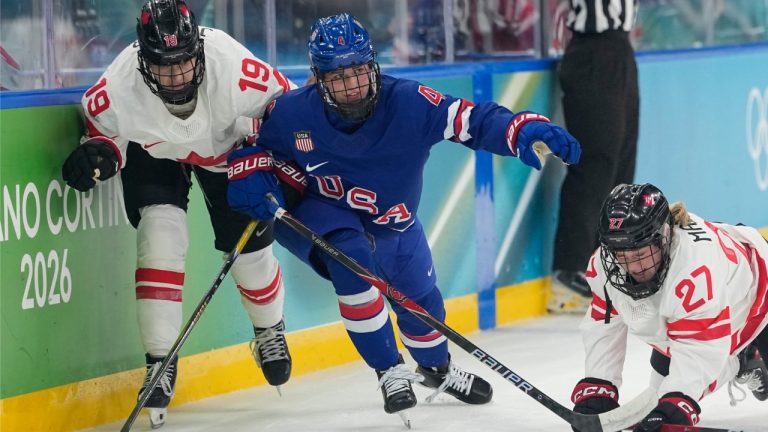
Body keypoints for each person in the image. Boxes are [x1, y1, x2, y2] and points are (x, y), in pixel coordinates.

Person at [225, 13, 581, 421]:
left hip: (394, 220)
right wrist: (247, 168)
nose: (351, 85)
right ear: (318, 78)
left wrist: (519, 129)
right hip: (323, 213)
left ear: (373, 65)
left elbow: (473, 120)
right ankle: (389, 369)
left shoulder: (410, 102)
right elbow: (253, 147)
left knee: (422, 305)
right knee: (352, 261)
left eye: (358, 71)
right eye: (338, 76)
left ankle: (435, 369)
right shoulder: (292, 113)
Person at [60, 0, 294, 427]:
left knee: (252, 259)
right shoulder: (117, 85)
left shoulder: (234, 67)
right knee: (160, 237)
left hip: (228, 151)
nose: (175, 76)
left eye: (184, 62)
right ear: (142, 59)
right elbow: (103, 135)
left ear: (199, 48)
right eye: (162, 65)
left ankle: (269, 330)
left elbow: (289, 111)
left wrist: (267, 155)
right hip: (156, 151)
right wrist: (98, 155)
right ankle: (159, 360)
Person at [570, 183, 768, 431]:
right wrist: (599, 386)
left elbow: (700, 349)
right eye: (622, 254)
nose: (631, 267)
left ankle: (744, 357)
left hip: (758, 289)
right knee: (663, 381)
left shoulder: (694, 269)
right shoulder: (604, 264)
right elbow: (604, 325)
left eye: (639, 254)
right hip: (713, 302)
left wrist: (678, 399)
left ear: (662, 236)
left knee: (677, 394)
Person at [549, 0, 640, 314]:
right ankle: (569, 271)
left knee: (621, 164)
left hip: (619, 51)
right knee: (595, 162)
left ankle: (606, 265)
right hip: (593, 53)